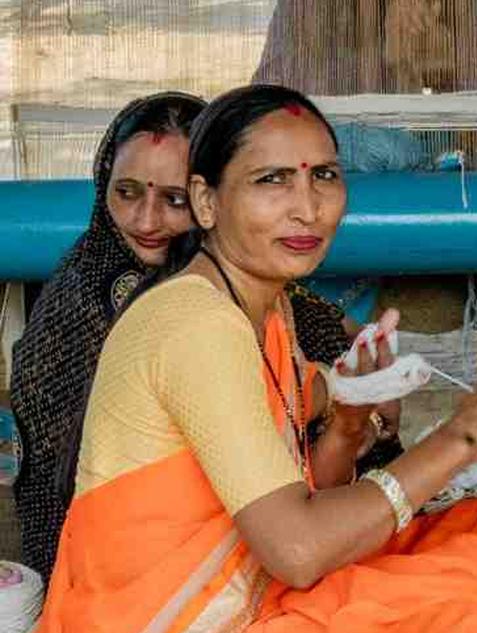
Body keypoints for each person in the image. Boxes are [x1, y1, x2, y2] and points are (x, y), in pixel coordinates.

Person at [10, 85, 477, 633]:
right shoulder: (197, 326)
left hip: (254, 591)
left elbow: (299, 503)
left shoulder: (263, 308)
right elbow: (298, 551)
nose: (308, 208)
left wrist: (348, 421)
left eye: (324, 176)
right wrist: (461, 441)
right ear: (206, 202)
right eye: (271, 180)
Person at [8, 93, 394, 583]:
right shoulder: (92, 307)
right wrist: (456, 441)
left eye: (172, 201)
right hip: (132, 584)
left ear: (206, 198)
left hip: (263, 539)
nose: (146, 222)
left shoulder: (259, 294)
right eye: (126, 193)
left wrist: (351, 396)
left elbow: (319, 359)